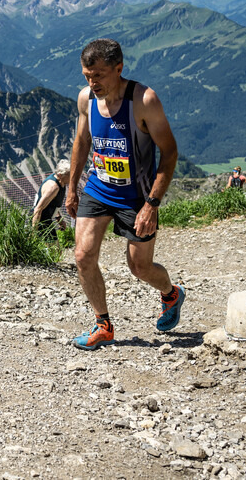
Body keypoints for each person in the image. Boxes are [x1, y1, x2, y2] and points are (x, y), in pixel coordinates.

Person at [65, 38, 184, 351]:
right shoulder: (85, 99)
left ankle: (171, 293)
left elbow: (169, 152)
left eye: (100, 75)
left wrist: (152, 205)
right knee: (82, 256)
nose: (93, 83)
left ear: (119, 68)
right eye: (87, 76)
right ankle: (103, 324)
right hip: (98, 187)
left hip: (137, 196)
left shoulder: (144, 101)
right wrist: (72, 186)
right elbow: (82, 141)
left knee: (140, 268)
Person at [32, 159, 71, 237]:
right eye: (69, 175)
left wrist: (59, 219)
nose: (72, 177)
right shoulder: (53, 187)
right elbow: (38, 209)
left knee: (55, 248)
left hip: (46, 219)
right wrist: (34, 233)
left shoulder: (61, 182)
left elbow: (53, 203)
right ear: (60, 175)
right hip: (40, 221)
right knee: (55, 248)